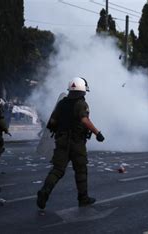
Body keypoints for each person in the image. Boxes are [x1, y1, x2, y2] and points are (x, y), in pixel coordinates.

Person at [36, 77, 105, 209]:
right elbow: (84, 120)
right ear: (83, 90)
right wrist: (97, 133)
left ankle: (44, 192)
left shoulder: (62, 103)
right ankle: (83, 198)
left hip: (61, 140)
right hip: (76, 142)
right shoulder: (81, 104)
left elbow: (52, 122)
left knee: (57, 170)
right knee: (81, 170)